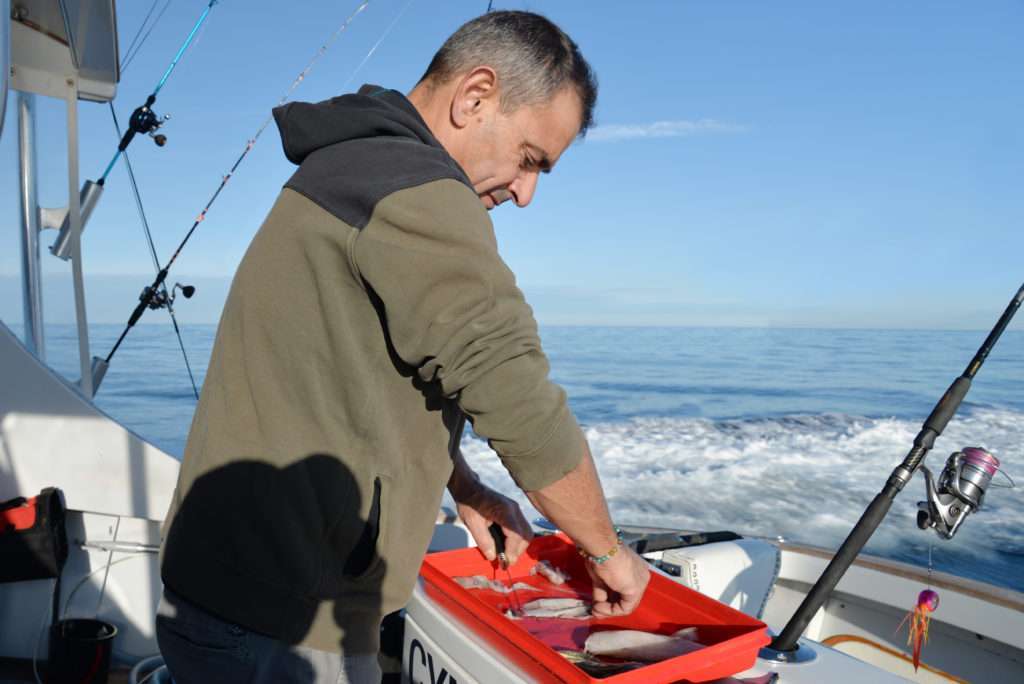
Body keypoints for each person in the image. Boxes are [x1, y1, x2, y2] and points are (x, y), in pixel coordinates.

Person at [156, 10, 650, 683]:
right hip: (286, 616)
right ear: (475, 97)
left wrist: (466, 488)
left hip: (234, 588)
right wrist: (606, 552)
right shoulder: (417, 192)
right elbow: (517, 398)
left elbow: (359, 378)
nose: (525, 192)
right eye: (530, 159)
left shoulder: (354, 164)